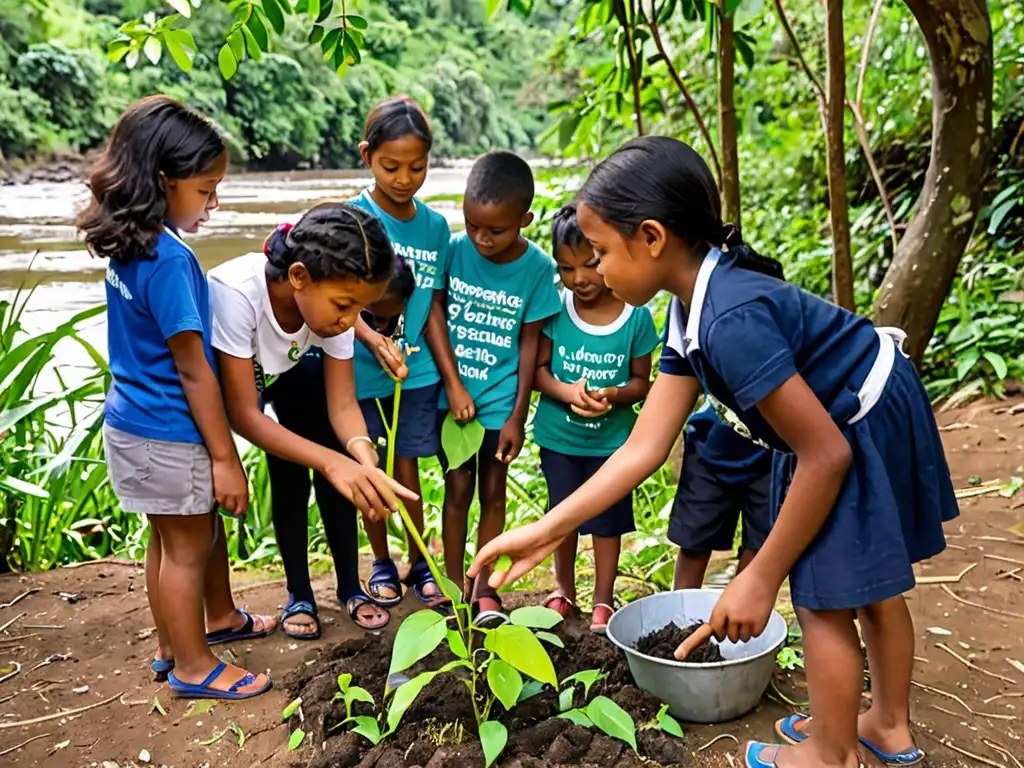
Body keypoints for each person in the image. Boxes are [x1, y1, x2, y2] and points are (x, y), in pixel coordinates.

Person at [470, 136, 958, 768]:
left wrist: (759, 576)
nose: (595, 270)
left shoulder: (729, 319)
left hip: (851, 422)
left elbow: (827, 457)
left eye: (600, 251)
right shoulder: (688, 307)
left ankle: (832, 752)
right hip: (851, 408)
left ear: (651, 238)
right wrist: (546, 529)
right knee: (856, 578)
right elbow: (646, 444)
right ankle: (886, 723)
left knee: (824, 592)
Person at [82, 95, 275, 700]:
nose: (214, 203)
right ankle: (194, 666)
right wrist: (225, 457)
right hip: (169, 429)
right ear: (164, 182)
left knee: (167, 540)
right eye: (206, 189)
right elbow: (194, 372)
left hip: (131, 422)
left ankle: (179, 642)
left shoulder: (128, 242)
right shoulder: (170, 260)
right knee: (189, 547)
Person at [208, 203, 417, 639]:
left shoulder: (335, 313)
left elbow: (342, 406)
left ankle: (349, 586)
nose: (350, 323)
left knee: (340, 458)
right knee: (292, 471)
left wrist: (363, 458)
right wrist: (331, 462)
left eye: (360, 309)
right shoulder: (236, 294)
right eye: (345, 306)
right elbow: (245, 415)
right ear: (299, 277)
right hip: (212, 392)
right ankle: (298, 593)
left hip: (285, 371)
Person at [438, 150, 561, 625]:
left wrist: (517, 415)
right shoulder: (453, 251)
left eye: (496, 230)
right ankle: (452, 585)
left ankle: (483, 587)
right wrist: (451, 385)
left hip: (500, 399)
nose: (481, 239)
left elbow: (531, 346)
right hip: (454, 399)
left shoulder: (537, 269)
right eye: (472, 225)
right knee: (456, 488)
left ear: (525, 220)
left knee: (493, 491)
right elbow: (434, 312)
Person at [531, 203, 658, 633]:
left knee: (608, 523)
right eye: (566, 269)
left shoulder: (635, 315)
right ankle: (562, 589)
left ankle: (603, 599)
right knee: (561, 515)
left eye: (590, 265)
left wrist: (614, 395)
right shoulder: (555, 307)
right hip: (559, 438)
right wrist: (568, 392)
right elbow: (538, 372)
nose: (580, 279)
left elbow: (643, 381)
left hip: (613, 445)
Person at [349, 96, 453, 610]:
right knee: (372, 468)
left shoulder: (435, 228)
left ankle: (419, 560)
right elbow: (333, 303)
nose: (404, 178)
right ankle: (381, 560)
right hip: (361, 371)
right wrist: (373, 340)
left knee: (409, 464)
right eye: (391, 166)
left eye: (418, 167)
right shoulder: (353, 218)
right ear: (367, 156)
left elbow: (432, 305)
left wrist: (450, 378)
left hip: (417, 373)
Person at [665, 303, 774, 591]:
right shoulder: (691, 319)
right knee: (694, 542)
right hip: (710, 450)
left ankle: (746, 621)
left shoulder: (766, 321)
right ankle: (680, 616)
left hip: (771, 454)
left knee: (760, 543)